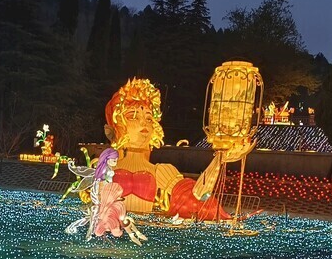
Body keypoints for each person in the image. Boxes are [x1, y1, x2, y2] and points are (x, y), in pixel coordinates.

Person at [104, 78, 249, 221]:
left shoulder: (160, 171)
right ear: (115, 126)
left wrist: (219, 160)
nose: (144, 122)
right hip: (109, 234)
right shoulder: (105, 166)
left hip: (144, 234)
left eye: (148, 118)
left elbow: (198, 196)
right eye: (133, 117)